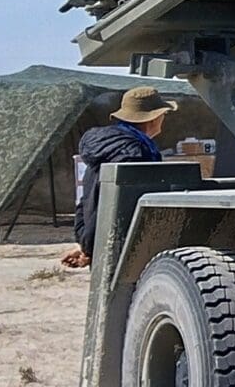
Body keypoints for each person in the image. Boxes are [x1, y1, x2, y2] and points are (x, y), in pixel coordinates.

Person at [61, 85, 174, 267]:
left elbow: (87, 198)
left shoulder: (106, 146)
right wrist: (90, 249)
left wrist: (84, 243)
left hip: (101, 241)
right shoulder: (135, 155)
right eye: (164, 114)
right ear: (153, 118)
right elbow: (115, 205)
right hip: (122, 248)